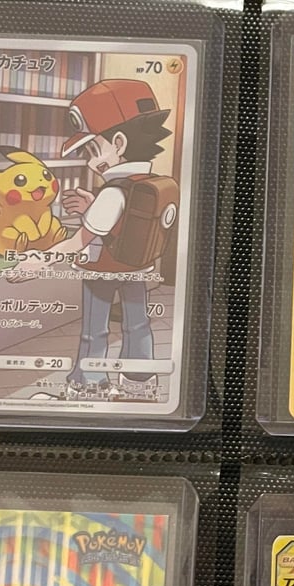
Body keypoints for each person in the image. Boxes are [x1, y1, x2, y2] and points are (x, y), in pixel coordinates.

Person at [54, 79, 178, 401]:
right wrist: (91, 207)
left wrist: (38, 259)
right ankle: (139, 381)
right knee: (137, 324)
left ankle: (89, 384)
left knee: (95, 329)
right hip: (136, 266)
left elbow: (81, 240)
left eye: (93, 150)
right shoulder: (148, 181)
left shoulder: (112, 192)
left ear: (119, 143)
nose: (89, 161)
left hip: (102, 269)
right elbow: (122, 221)